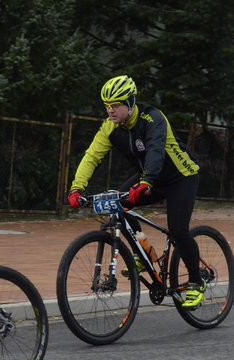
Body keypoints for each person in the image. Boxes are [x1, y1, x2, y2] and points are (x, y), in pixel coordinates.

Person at [67, 75, 205, 309]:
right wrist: (76, 187)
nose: (110, 111)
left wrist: (145, 183)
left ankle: (196, 282)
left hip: (180, 177)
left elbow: (155, 150)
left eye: (116, 105)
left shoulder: (153, 118)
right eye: (107, 106)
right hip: (149, 178)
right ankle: (144, 255)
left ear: (130, 102)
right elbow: (92, 155)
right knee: (118, 205)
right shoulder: (110, 127)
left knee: (178, 230)